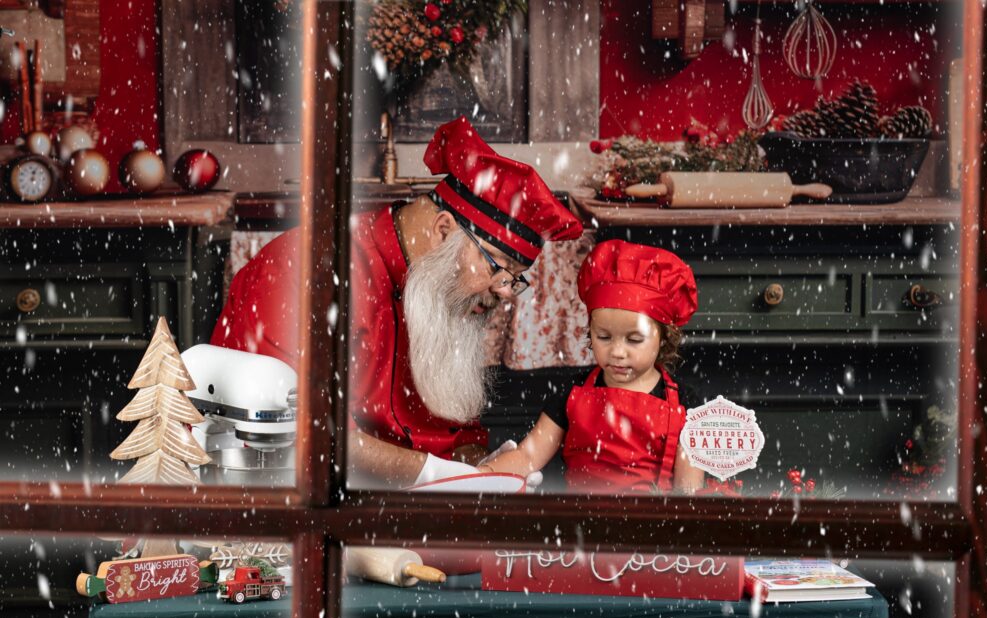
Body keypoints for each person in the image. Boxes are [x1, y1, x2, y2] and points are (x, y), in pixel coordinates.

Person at [210, 116, 583, 488]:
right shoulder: (304, 271)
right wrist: (445, 477)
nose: (504, 293)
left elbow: (452, 438)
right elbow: (314, 438)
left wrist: (484, 472)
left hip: (407, 519)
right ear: (442, 231)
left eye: (513, 281)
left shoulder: (447, 294)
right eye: (499, 270)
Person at [478, 239, 706, 494]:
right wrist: (476, 476)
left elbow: (690, 491)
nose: (617, 352)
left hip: (654, 526)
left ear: (664, 338)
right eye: (604, 337)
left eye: (634, 339)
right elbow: (526, 457)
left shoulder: (686, 403)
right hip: (580, 522)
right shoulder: (571, 391)